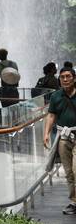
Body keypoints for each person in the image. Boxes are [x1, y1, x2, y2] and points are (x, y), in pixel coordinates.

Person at [43, 65, 76, 214]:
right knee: (69, 172)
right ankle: (74, 201)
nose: (65, 79)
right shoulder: (56, 96)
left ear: (74, 78)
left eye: (68, 76)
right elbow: (51, 116)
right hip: (63, 137)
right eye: (62, 77)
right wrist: (46, 133)